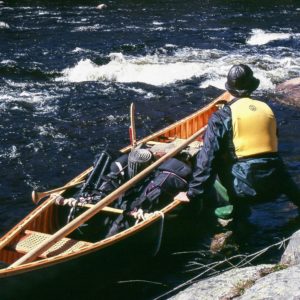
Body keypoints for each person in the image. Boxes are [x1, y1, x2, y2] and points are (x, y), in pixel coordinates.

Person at [186, 64, 300, 242]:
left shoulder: (222, 116)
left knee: (210, 161)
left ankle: (233, 213)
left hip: (245, 190)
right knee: (270, 158)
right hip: (276, 185)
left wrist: (193, 193)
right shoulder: (267, 109)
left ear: (230, 89)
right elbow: (272, 144)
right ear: (253, 87)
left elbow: (207, 160)